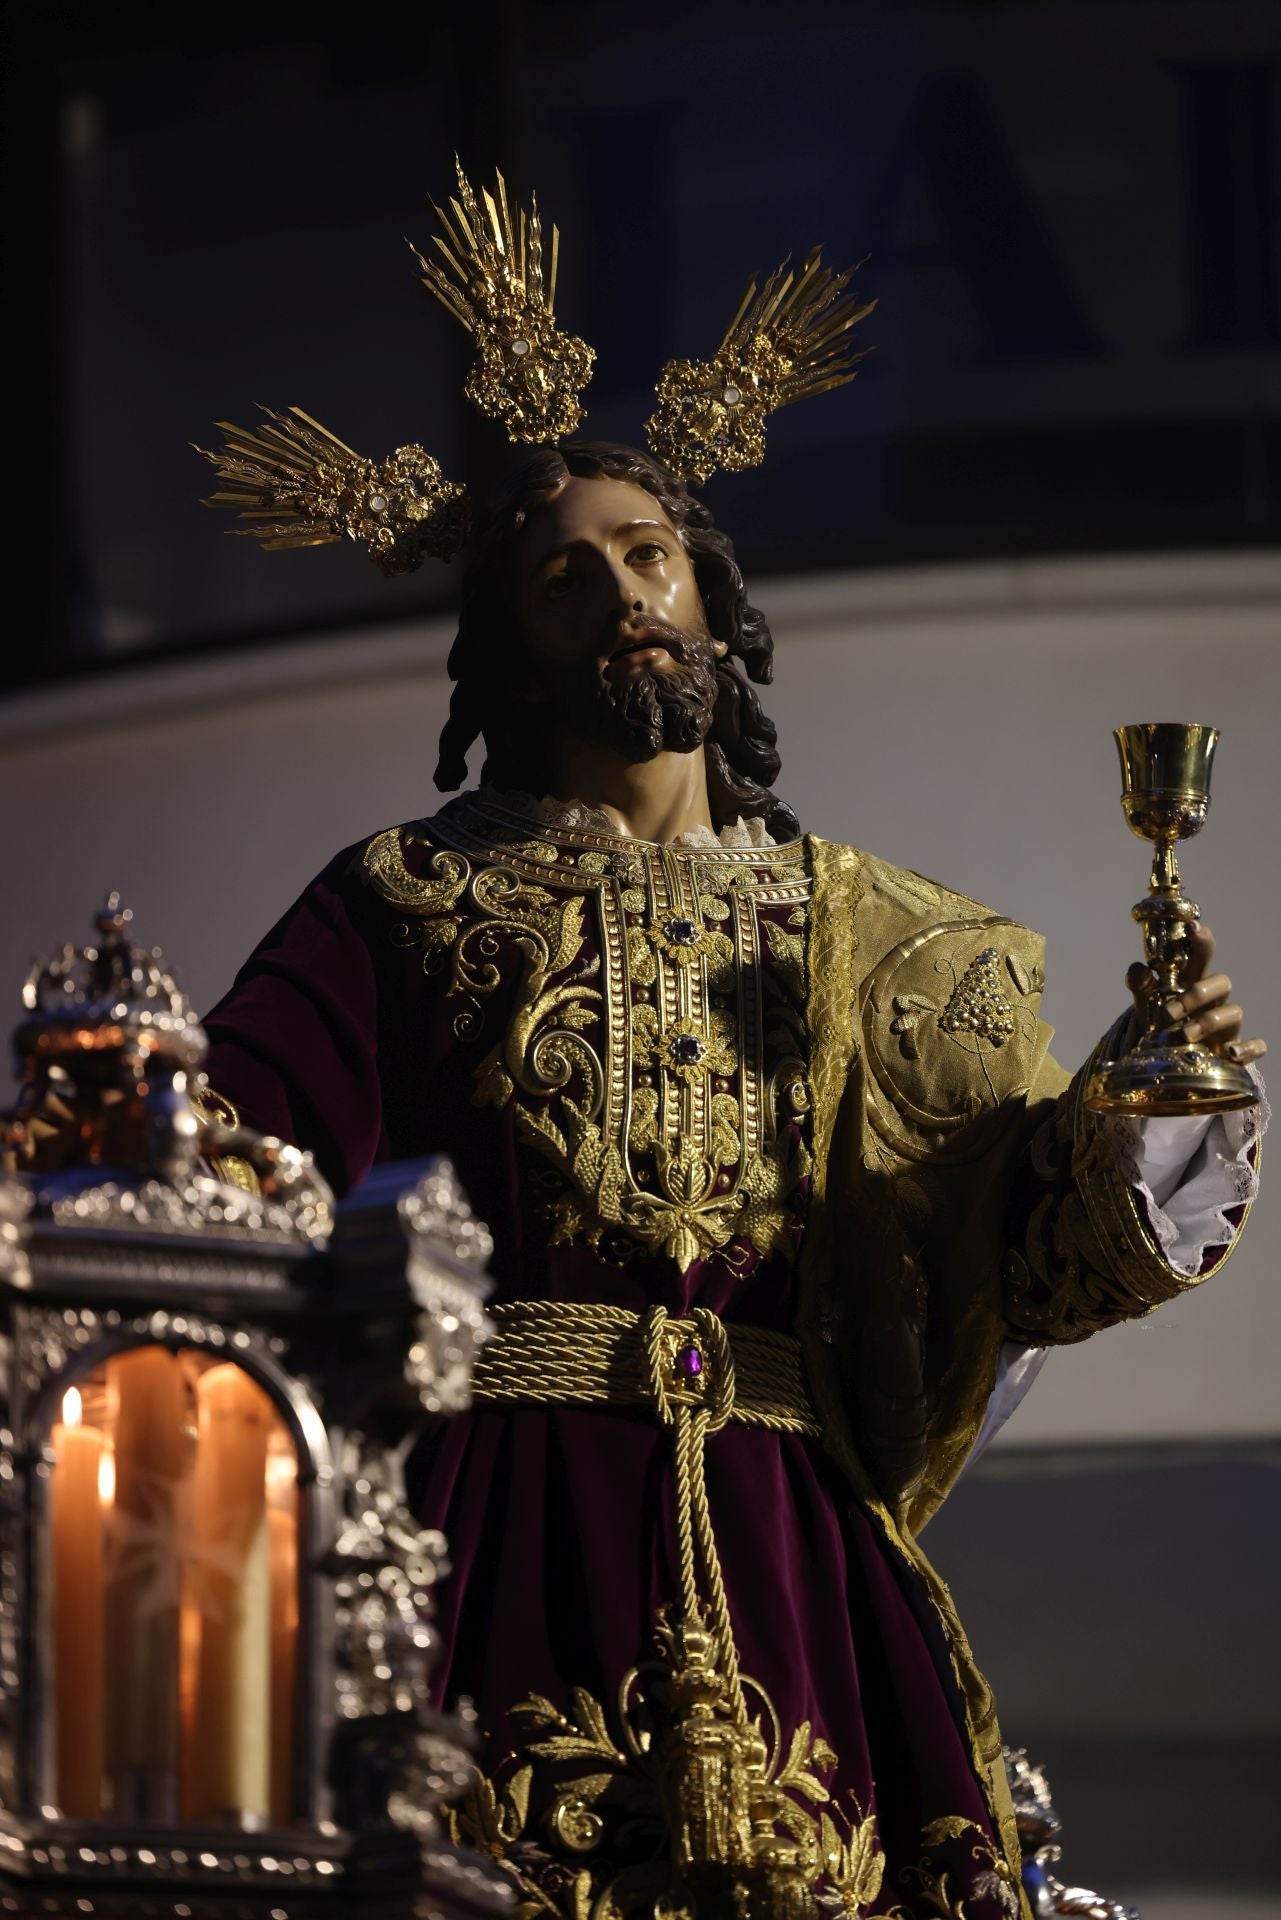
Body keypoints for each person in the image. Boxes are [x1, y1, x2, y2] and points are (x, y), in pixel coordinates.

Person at [200, 436, 1265, 1920]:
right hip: (505, 1519)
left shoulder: (877, 937)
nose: (624, 597)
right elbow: (223, 1151)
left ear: (706, 592)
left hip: (787, 1531)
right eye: (565, 580)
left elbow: (1011, 1249)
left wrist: (1154, 1092)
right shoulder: (406, 901)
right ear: (516, 643)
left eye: (648, 555)